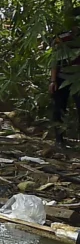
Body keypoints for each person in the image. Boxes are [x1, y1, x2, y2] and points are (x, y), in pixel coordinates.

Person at [52, 12, 79, 146]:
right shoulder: (63, 38)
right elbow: (55, 60)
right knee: (59, 108)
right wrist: (53, 81)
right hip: (62, 78)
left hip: (77, 80)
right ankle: (59, 139)